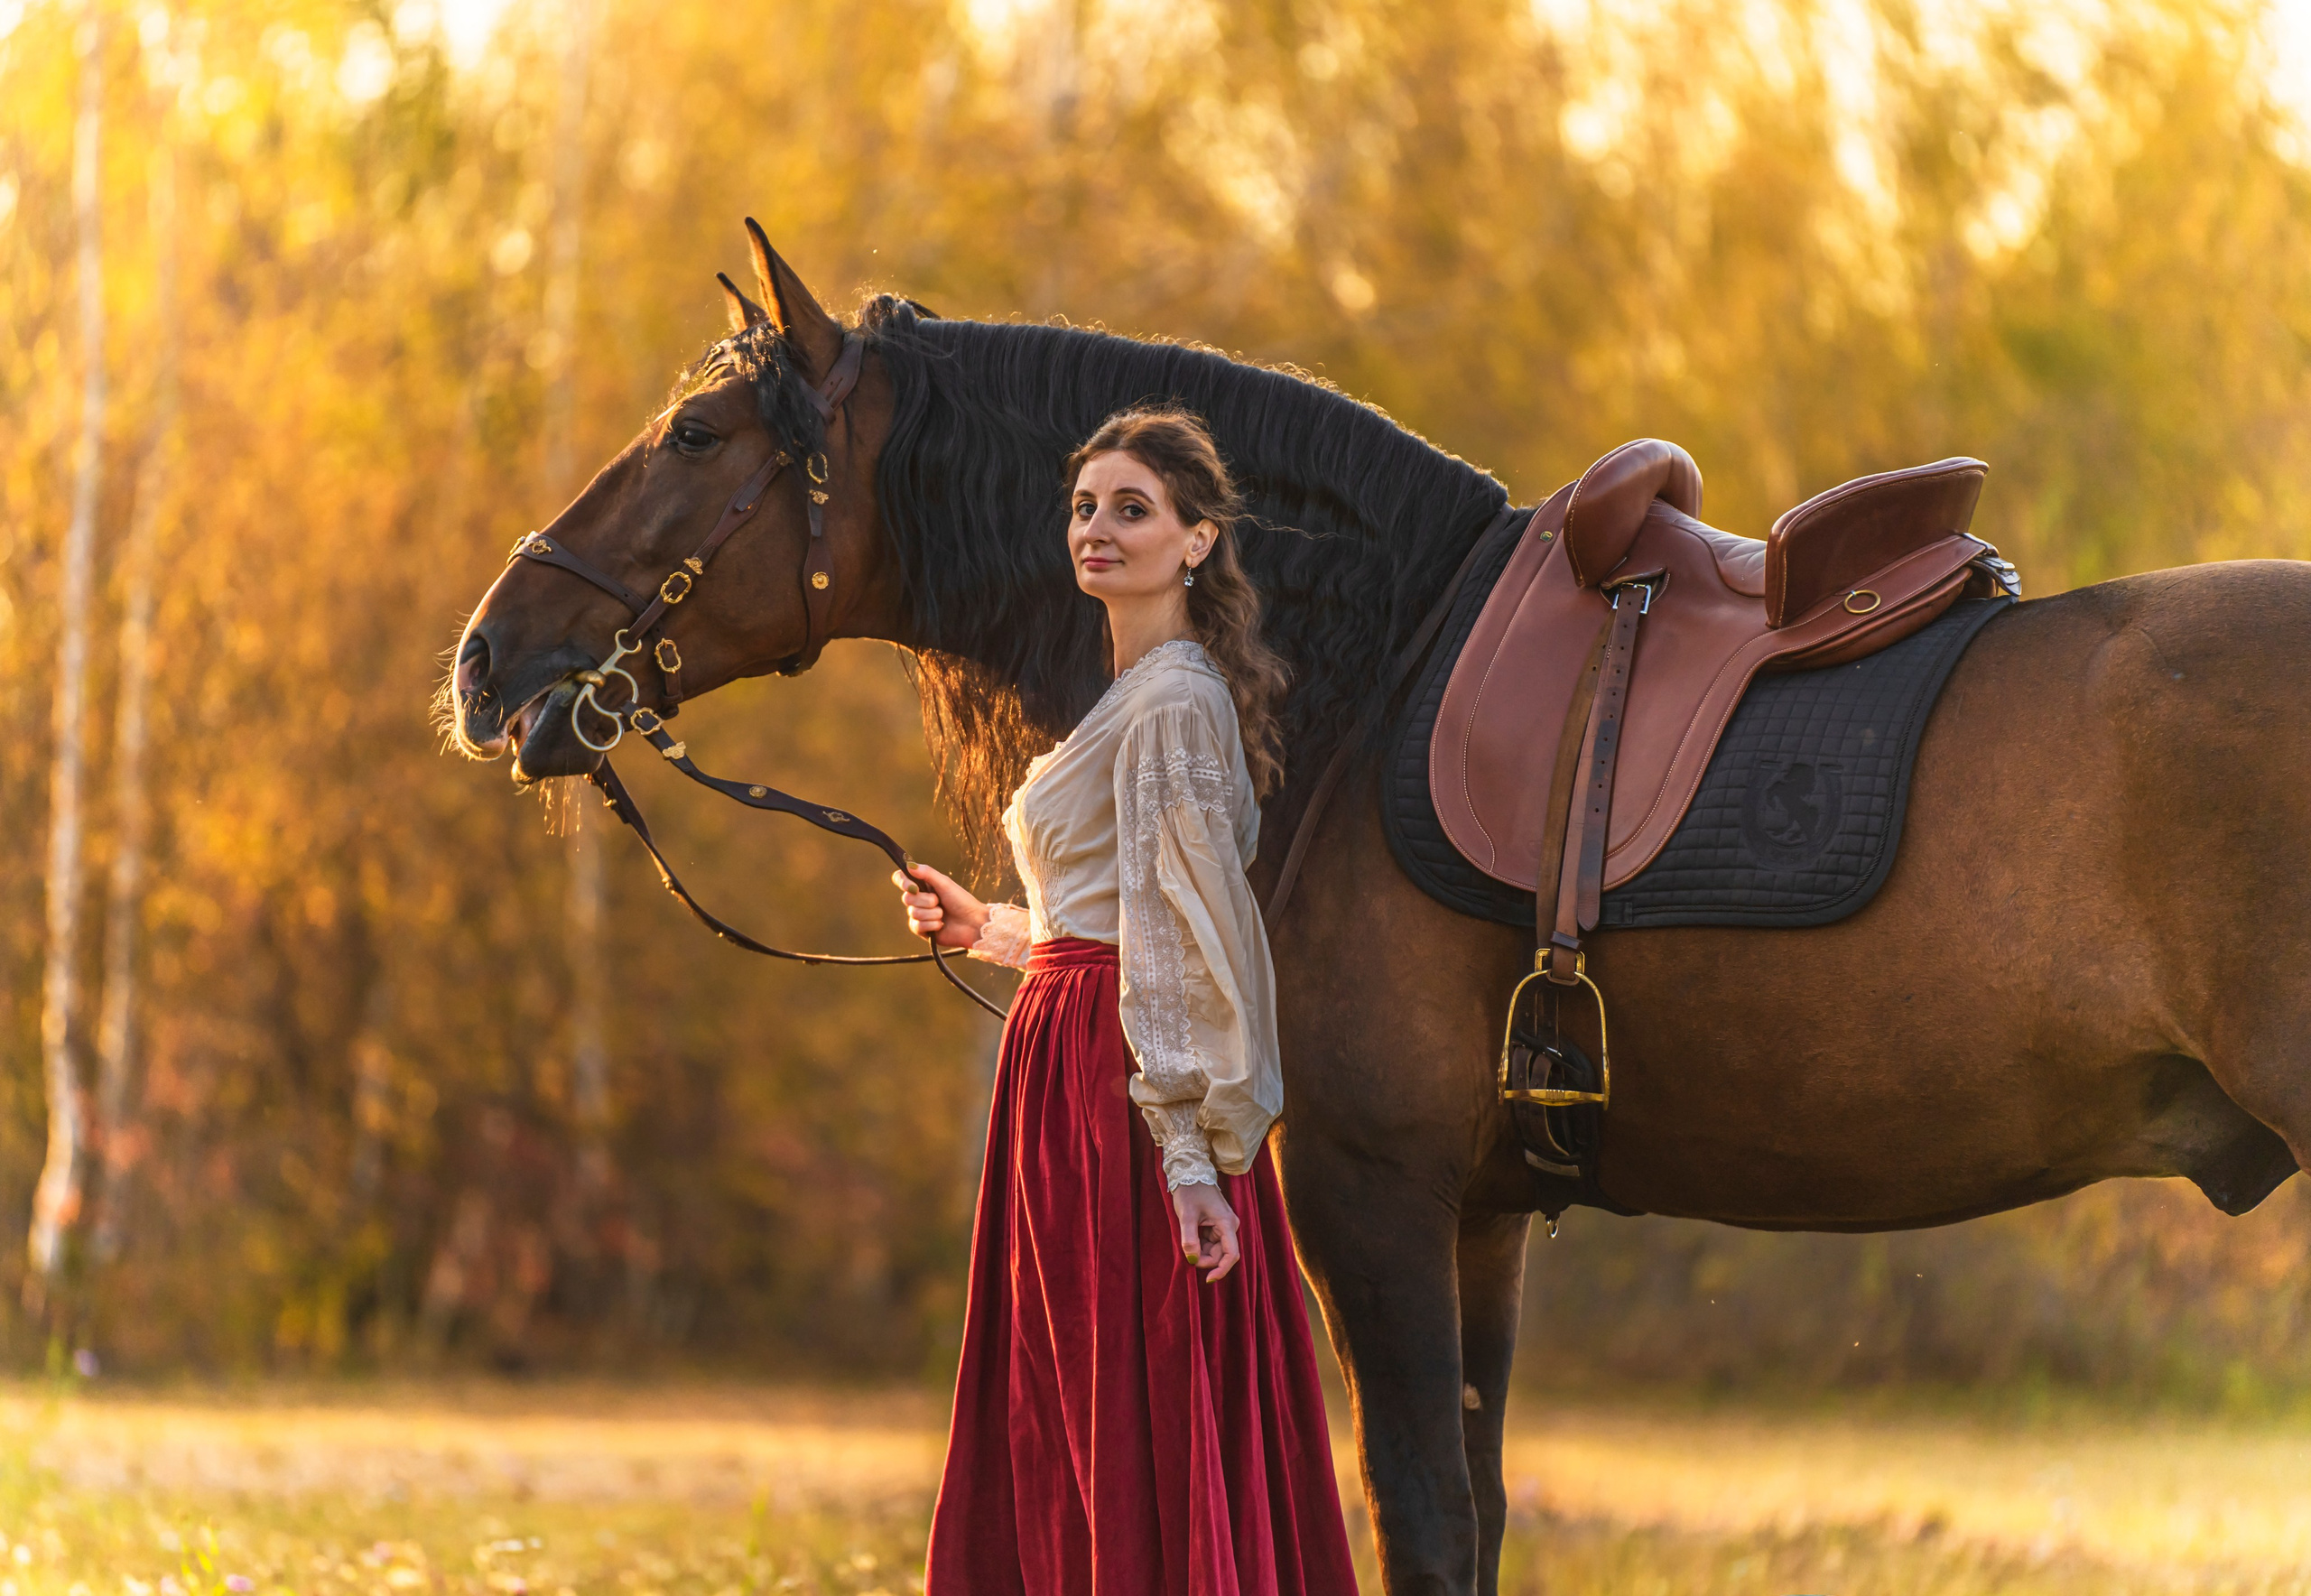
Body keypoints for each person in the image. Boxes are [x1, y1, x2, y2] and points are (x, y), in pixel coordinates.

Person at [896, 408, 1359, 1594]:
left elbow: (1185, 938)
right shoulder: (1141, 693)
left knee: (1135, 1384)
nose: (1097, 529)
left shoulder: (1175, 705)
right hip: (1076, 1070)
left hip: (1127, 1097)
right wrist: (988, 926)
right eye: (1085, 507)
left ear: (1200, 541)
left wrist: (1196, 1159)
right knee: (1071, 1403)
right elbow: (1100, 919)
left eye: (1132, 510)